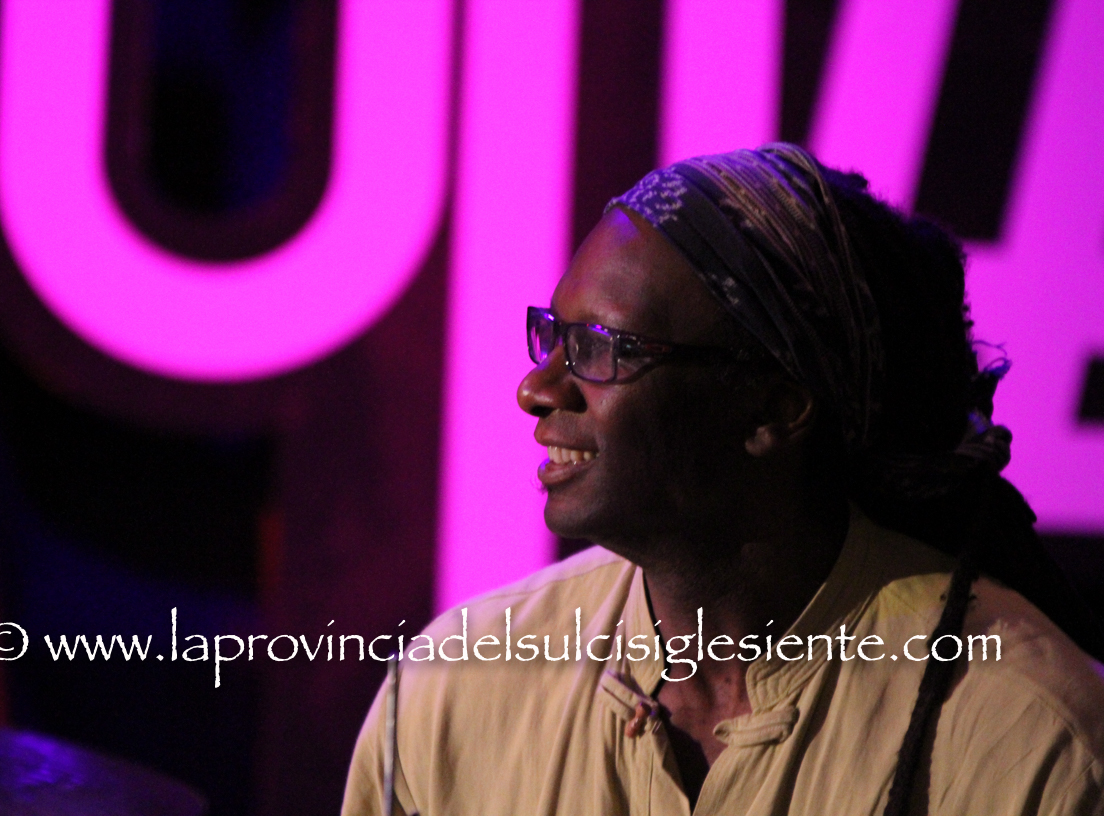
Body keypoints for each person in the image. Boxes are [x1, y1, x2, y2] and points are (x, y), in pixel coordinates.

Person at [341, 144, 1104, 815]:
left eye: (604, 347)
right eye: (555, 336)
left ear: (773, 409)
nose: (537, 389)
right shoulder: (454, 693)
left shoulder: (1028, 736)